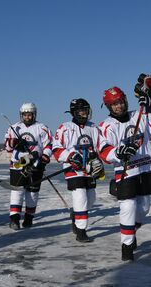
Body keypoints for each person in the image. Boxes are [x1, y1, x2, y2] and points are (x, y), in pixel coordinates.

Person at [98, 80, 151, 262]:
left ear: (125, 100)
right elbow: (103, 150)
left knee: (143, 209)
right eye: (114, 104)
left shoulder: (139, 115)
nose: (118, 106)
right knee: (127, 207)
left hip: (144, 168)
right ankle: (126, 246)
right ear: (109, 107)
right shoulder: (106, 125)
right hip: (125, 172)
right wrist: (118, 152)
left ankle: (131, 231)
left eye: (120, 101)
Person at [52, 98, 104, 242]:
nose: (84, 113)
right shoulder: (65, 127)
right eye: (81, 110)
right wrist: (70, 156)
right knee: (80, 197)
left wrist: (97, 157)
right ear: (74, 112)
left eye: (85, 110)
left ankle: (76, 214)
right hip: (73, 170)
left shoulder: (93, 128)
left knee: (91, 199)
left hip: (90, 169)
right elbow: (56, 148)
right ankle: (81, 231)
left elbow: (101, 146)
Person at [4, 103, 52, 230]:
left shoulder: (42, 128)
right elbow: (7, 146)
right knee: (17, 191)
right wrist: (14, 143)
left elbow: (48, 145)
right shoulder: (14, 128)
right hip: (18, 164)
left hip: (36, 164)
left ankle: (29, 218)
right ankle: (14, 219)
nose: (27, 117)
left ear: (34, 114)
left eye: (29, 114)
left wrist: (45, 156)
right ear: (21, 115)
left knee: (32, 193)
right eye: (25, 114)